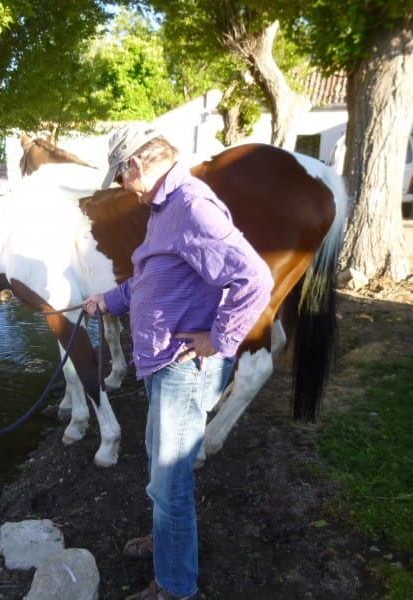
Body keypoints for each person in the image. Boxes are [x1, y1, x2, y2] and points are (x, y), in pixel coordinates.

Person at [83, 124, 273, 600]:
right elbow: (150, 276)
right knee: (160, 469)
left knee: (171, 481)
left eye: (121, 178)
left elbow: (253, 277)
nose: (123, 188)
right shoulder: (164, 208)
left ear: (136, 165)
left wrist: (220, 337)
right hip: (161, 365)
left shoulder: (191, 206)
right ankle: (168, 543)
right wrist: (108, 300)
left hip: (181, 368)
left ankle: (175, 586)